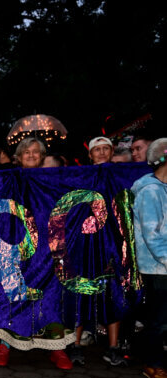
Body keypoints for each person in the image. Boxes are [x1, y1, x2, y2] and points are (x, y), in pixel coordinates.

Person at [0, 138, 74, 370]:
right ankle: (4, 345)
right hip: (15, 245)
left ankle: (57, 348)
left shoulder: (52, 179)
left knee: (50, 296)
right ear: (18, 156)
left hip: (47, 250)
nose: (30, 155)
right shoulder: (9, 179)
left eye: (35, 152)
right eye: (25, 152)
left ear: (42, 156)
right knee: (13, 294)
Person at [66, 136, 125, 366]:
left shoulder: (120, 176)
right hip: (85, 245)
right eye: (96, 150)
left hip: (112, 243)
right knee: (82, 290)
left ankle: (113, 347)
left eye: (105, 149)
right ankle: (76, 344)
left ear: (111, 152)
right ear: (89, 155)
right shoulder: (82, 177)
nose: (101, 153)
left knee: (112, 291)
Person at [131, 138, 167, 378]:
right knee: (159, 319)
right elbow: (152, 235)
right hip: (158, 267)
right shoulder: (151, 191)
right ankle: (152, 363)